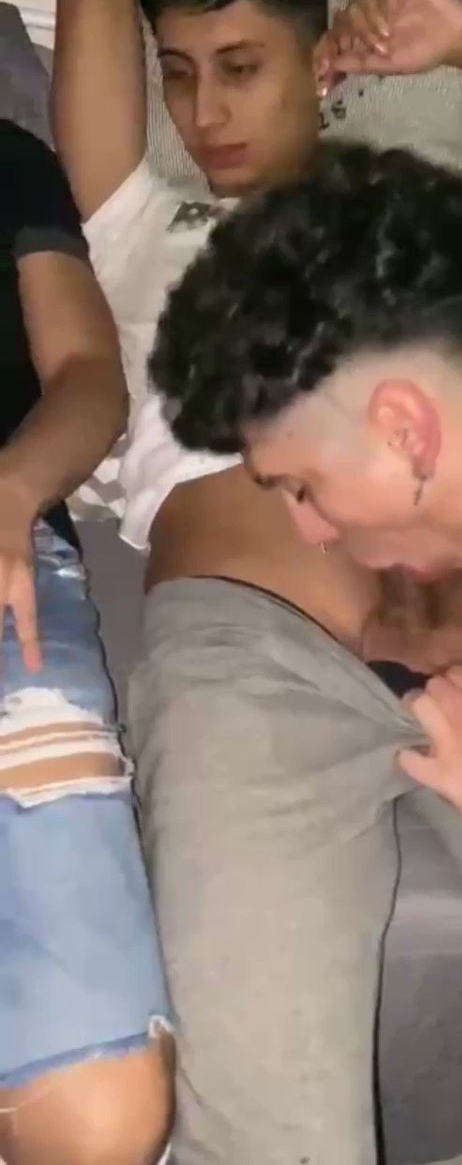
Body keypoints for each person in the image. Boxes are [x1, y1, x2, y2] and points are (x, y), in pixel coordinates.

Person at [54, 0, 462, 1163]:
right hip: (254, 664)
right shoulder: (145, 235)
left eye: (241, 68)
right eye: (176, 76)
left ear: (319, 70)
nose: (203, 112)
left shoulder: (427, 226)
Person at [0, 118, 172, 1165]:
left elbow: (87, 374)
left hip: (5, 568)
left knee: (99, 1116)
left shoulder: (7, 159)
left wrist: (13, 489)